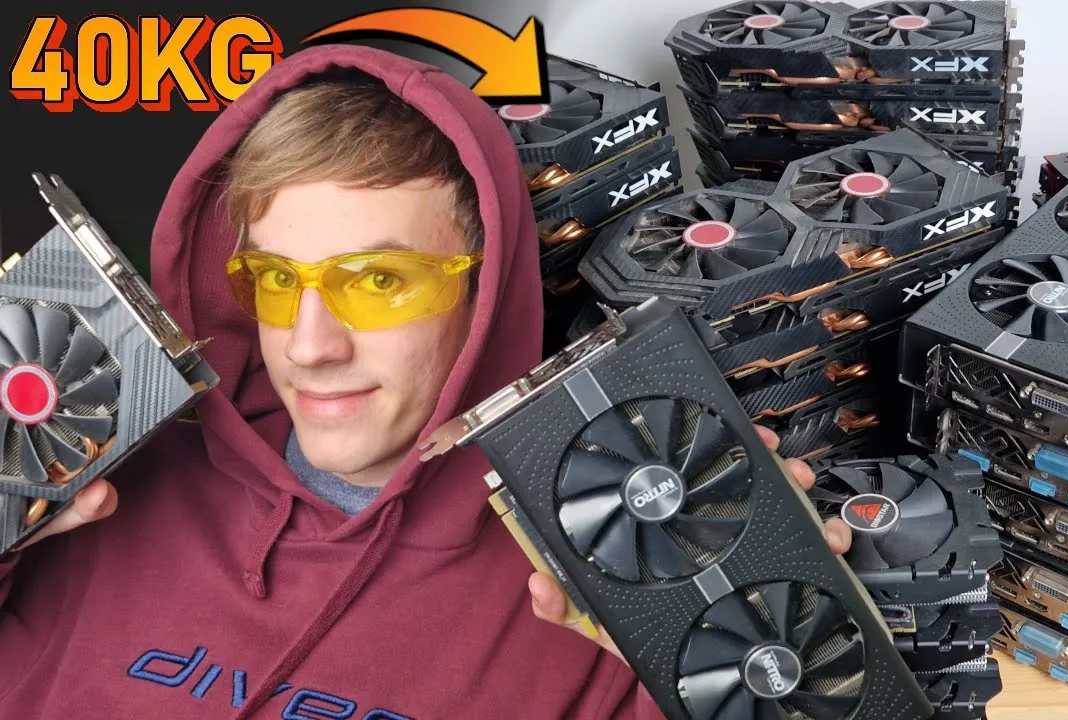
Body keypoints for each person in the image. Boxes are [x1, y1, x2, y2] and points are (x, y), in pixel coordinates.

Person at [0, 45, 852, 718]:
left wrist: (756, 675)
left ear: (484, 294)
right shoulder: (84, 496)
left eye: (378, 281)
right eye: (278, 279)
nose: (310, 346)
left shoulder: (605, 594)